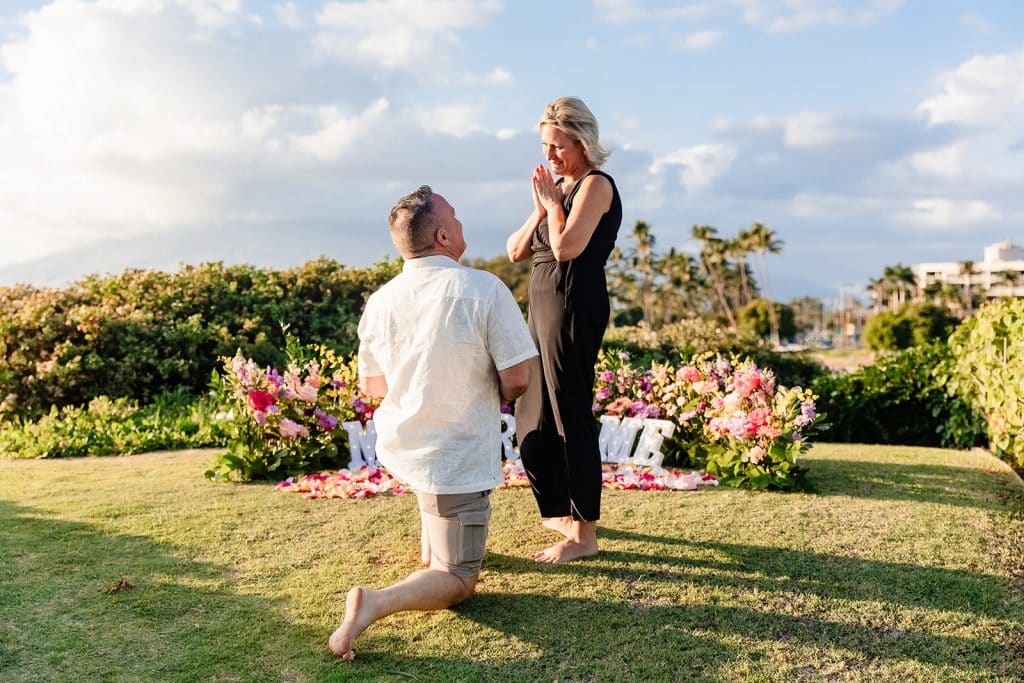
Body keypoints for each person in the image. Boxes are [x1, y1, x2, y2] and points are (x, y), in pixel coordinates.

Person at [328, 185, 538, 661]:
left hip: (406, 446)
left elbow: (375, 388)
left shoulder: (380, 300)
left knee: (437, 504)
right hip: (454, 452)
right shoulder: (482, 288)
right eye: (457, 218)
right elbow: (518, 380)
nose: (462, 225)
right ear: (444, 235)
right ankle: (374, 602)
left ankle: (434, 550)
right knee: (460, 579)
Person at [506, 96, 622, 563]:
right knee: (532, 408)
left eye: (557, 147)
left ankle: (584, 537)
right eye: (544, 146)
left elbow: (567, 247)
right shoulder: (556, 191)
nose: (549, 156)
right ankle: (562, 512)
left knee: (569, 412)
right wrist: (540, 206)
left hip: (574, 306)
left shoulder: (595, 185)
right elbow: (516, 251)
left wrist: (554, 206)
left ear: (582, 141)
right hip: (541, 306)